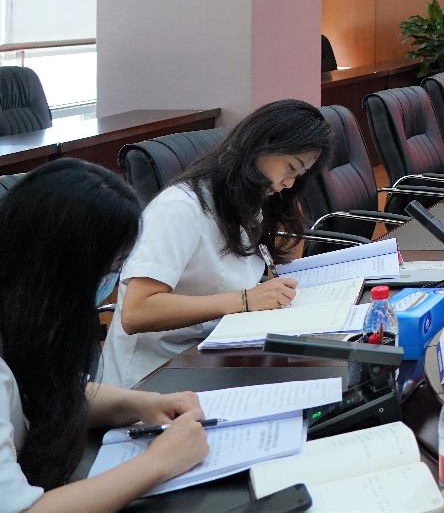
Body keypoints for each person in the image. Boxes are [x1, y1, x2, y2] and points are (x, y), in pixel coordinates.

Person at [0, 160, 208, 511]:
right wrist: (158, 462)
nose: (112, 284)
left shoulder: (21, 315)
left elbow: (38, 392)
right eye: (110, 269)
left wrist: (140, 404)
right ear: (60, 270)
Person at [103, 98, 333, 388]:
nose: (290, 182)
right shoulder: (180, 207)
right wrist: (245, 301)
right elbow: (136, 312)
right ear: (262, 145)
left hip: (214, 351)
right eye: (290, 167)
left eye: (299, 175)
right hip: (154, 375)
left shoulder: (247, 202)